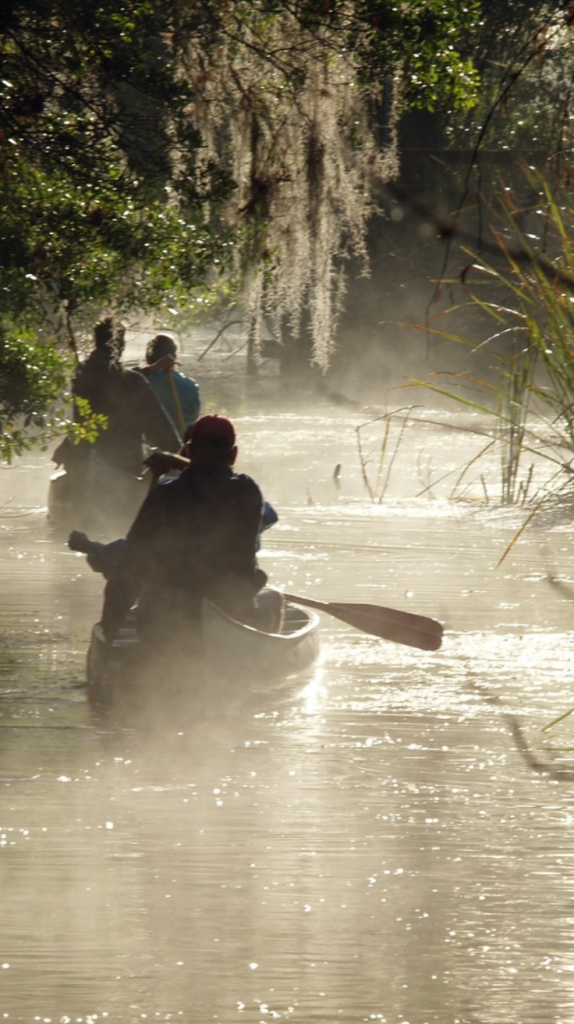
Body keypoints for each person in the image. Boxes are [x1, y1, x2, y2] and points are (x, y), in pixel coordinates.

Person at [97, 414, 273, 650]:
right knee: (271, 599)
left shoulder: (163, 495)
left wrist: (109, 628)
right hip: (230, 614)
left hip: (163, 621)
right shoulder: (248, 492)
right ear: (233, 455)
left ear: (189, 451)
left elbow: (130, 570)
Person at [54, 317, 181, 477]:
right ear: (119, 346)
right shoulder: (132, 381)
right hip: (124, 463)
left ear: (97, 342)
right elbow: (158, 427)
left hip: (82, 458)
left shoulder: (81, 376)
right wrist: (179, 455)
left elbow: (110, 376)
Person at [138, 333, 201, 436]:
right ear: (174, 357)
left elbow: (124, 379)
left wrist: (152, 368)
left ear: (148, 358)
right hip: (183, 440)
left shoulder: (141, 382)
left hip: (155, 442)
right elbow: (194, 416)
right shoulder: (190, 385)